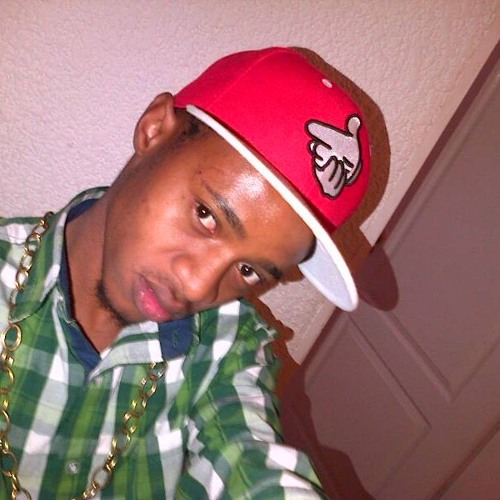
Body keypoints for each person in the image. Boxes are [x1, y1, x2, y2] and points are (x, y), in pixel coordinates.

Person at [0, 47, 372, 498]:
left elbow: (248, 456)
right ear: (154, 129)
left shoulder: (227, 343)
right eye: (206, 215)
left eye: (249, 271)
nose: (198, 287)